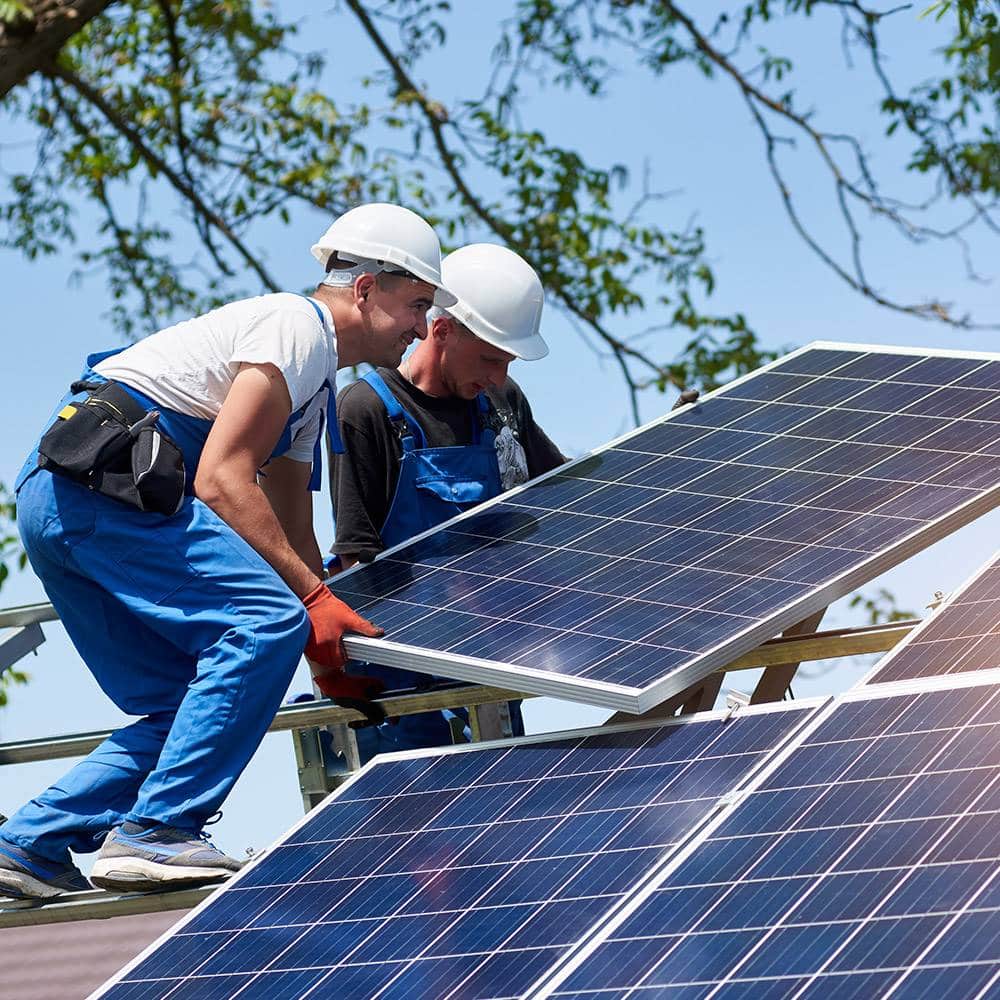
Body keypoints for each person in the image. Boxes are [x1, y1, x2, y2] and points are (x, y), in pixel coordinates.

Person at [0, 203, 456, 900]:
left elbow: (286, 516)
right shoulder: (296, 329)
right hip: (107, 489)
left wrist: (318, 637)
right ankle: (156, 830)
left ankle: (28, 845)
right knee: (258, 624)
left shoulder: (313, 385)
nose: (423, 327)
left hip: (67, 496)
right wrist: (304, 605)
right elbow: (220, 480)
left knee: (199, 703)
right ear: (364, 289)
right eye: (417, 303)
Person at [328, 243, 565, 762]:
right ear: (442, 330)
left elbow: (566, 498)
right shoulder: (366, 409)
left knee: (508, 803)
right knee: (426, 827)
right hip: (405, 683)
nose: (499, 377)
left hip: (490, 658)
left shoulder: (503, 403)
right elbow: (355, 560)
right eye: (489, 358)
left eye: (508, 362)